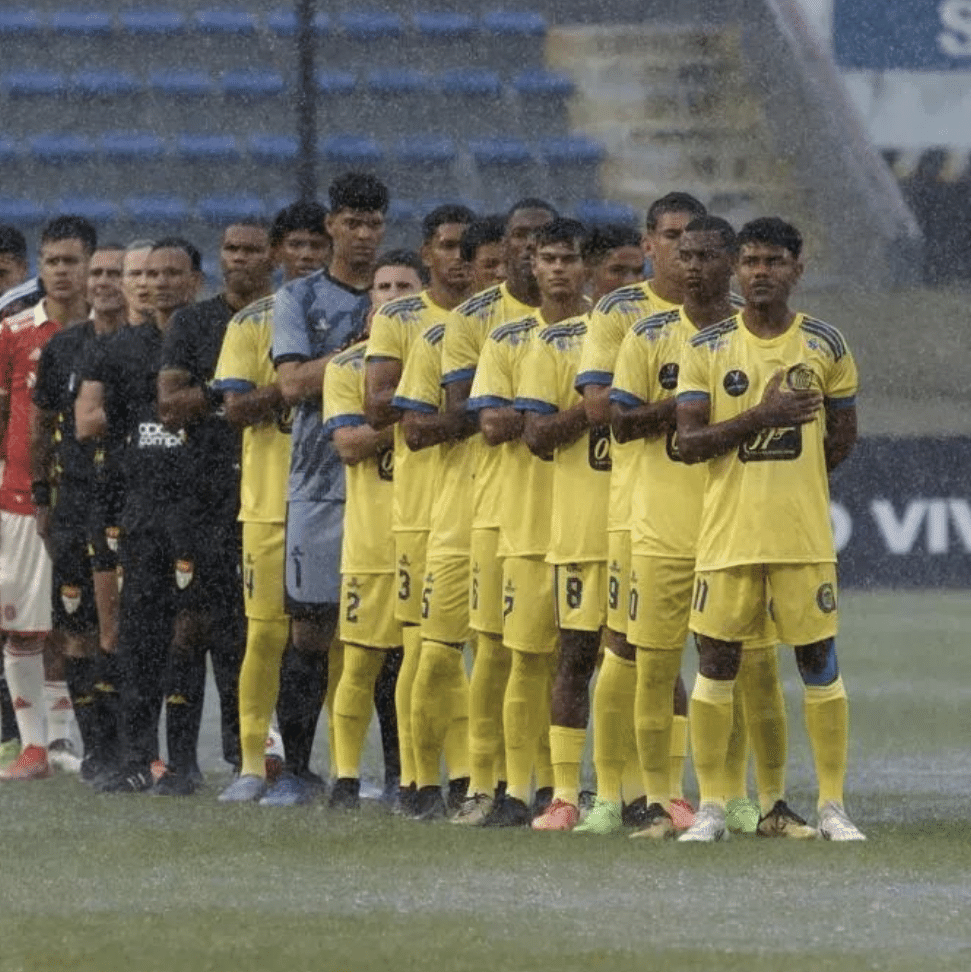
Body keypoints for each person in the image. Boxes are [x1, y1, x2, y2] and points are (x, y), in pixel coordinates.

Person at [675, 216, 864, 842]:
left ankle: (833, 806)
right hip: (728, 535)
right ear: (737, 269)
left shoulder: (827, 344)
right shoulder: (705, 347)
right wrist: (763, 415)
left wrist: (799, 479)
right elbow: (690, 441)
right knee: (717, 663)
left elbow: (842, 436)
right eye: (751, 261)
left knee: (818, 660)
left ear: (796, 268)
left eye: (773, 261)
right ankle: (712, 807)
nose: (760, 272)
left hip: (802, 536)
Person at [601, 217, 792, 838]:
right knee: (654, 667)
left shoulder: (758, 334)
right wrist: (693, 401)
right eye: (683, 255)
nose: (691, 267)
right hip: (661, 523)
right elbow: (622, 425)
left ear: (731, 262)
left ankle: (736, 797)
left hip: (739, 524)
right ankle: (662, 799)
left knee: (742, 666)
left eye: (706, 256)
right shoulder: (647, 334)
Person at [409, 198, 557, 822]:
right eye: (517, 238)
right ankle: (464, 783)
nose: (526, 250)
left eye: (538, 239)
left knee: (548, 654)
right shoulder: (472, 322)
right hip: (480, 507)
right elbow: (459, 413)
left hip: (562, 506)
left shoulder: (583, 318)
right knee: (476, 652)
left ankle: (551, 786)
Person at [567, 192, 707, 830]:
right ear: (649, 242)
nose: (681, 248)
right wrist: (684, 404)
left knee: (728, 656)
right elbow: (601, 410)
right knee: (626, 649)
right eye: (670, 236)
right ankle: (612, 793)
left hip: (718, 506)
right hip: (634, 508)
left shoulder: (729, 315)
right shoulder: (623, 311)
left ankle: (708, 795)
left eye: (692, 237)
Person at [467, 218, 590, 827]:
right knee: (526, 658)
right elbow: (492, 427)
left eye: (569, 258)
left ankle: (575, 789)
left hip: (597, 520)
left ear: (584, 266)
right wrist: (570, 412)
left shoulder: (607, 333)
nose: (559, 269)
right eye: (548, 259)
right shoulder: (508, 339)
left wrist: (539, 413)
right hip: (525, 519)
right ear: (531, 266)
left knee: (599, 658)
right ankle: (519, 790)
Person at [271, 172, 388, 805]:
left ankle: (401, 776)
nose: (364, 236)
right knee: (310, 634)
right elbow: (291, 386)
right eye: (353, 224)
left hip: (391, 489)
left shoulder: (399, 296)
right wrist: (366, 351)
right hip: (318, 485)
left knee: (392, 637)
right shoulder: (300, 298)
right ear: (332, 228)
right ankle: (296, 770)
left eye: (374, 225)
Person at [213, 202, 332, 804]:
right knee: (264, 636)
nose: (307, 256)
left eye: (318, 246)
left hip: (337, 501)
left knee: (340, 640)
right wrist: (303, 381)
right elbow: (233, 410)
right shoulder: (254, 323)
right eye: (298, 246)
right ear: (279, 254)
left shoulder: (364, 317)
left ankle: (329, 767)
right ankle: (255, 763)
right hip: (268, 502)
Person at [75, 237, 203, 793]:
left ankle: (185, 762)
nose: (154, 283)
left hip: (201, 506)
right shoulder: (118, 347)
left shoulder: (207, 336)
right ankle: (134, 757)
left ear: (194, 280)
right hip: (142, 507)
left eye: (168, 274)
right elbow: (95, 421)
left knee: (193, 635)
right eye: (145, 274)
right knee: (139, 637)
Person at [154, 220, 275, 794]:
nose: (241, 258)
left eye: (252, 249)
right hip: (201, 493)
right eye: (232, 249)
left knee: (252, 631)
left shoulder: (287, 318)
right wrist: (229, 393)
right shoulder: (193, 322)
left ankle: (249, 755)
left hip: (271, 491)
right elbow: (172, 406)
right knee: (190, 626)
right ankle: (181, 760)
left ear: (271, 257)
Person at [364, 207, 476, 813]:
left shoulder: (500, 321)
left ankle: (473, 775)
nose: (458, 259)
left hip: (488, 502)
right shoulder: (403, 318)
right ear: (426, 253)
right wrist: (442, 390)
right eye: (448, 247)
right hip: (421, 506)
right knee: (425, 647)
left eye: (468, 249)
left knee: (488, 650)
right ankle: (414, 778)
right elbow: (379, 405)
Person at [0, 215, 96, 781]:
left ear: (90, 265)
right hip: (19, 498)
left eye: (72, 261)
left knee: (79, 623)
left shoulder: (109, 333)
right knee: (22, 625)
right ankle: (33, 746)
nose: (62, 272)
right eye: (53, 261)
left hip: (93, 496)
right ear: (39, 268)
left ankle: (64, 741)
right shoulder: (12, 333)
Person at [31, 243, 128, 783]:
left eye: (117, 272)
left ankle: (139, 747)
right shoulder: (64, 347)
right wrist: (41, 493)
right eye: (101, 273)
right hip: (75, 502)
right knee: (77, 629)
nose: (107, 282)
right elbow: (42, 422)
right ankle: (99, 748)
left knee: (130, 628)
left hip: (132, 503)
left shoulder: (148, 345)